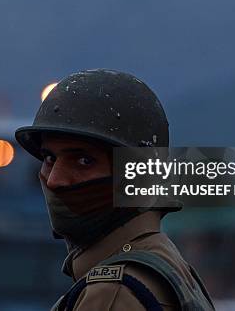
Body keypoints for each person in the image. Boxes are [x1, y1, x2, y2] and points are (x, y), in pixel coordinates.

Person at [15, 69, 215, 311]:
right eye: (49, 158)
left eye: (83, 161)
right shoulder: (163, 263)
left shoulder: (113, 293)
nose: (54, 180)